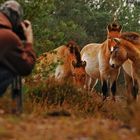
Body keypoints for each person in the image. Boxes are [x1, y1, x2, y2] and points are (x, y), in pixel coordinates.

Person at [0, 0, 36, 96]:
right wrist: (29, 40)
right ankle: (14, 109)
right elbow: (26, 67)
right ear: (15, 18)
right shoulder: (8, 37)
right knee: (13, 71)